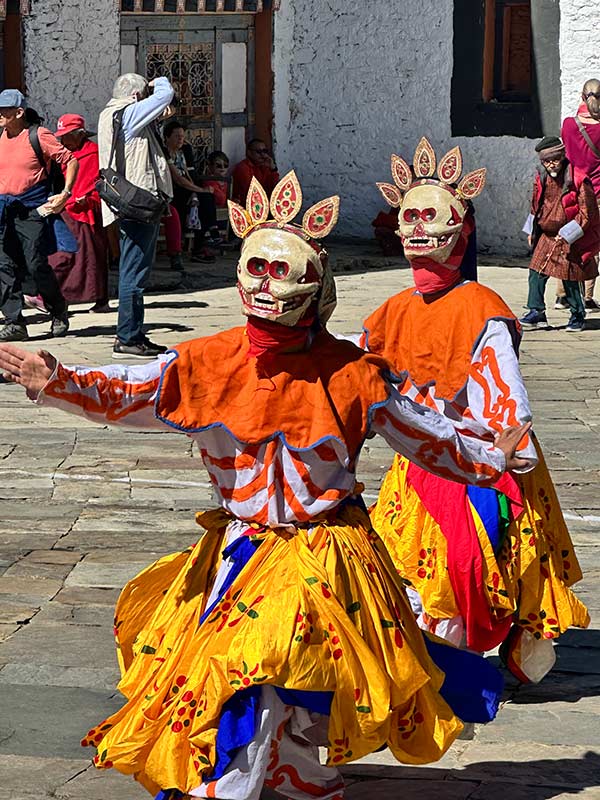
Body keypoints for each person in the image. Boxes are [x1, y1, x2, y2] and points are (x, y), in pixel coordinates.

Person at [0, 169, 530, 800]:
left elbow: (427, 436)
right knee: (254, 680)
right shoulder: (205, 362)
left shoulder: (353, 372)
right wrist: (55, 379)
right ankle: (290, 772)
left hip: (324, 552)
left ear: (316, 283)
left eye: (285, 272)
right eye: (257, 267)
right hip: (239, 552)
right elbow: (130, 388)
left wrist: (491, 457)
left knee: (272, 675)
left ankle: (269, 777)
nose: (266, 283)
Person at [365, 138, 589, 684]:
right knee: (405, 570)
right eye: (409, 216)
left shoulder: (483, 311)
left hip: (476, 465)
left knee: (467, 570)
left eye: (430, 216)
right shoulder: (391, 311)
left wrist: (506, 456)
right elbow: (360, 369)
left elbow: (506, 398)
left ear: (460, 229)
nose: (418, 229)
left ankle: (458, 674)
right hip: (416, 466)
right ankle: (427, 671)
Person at [98, 73, 174, 359]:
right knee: (134, 272)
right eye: (144, 96)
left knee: (134, 268)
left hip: (126, 199)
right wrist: (160, 81)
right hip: (139, 202)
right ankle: (128, 336)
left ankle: (133, 333)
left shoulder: (112, 114)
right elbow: (164, 96)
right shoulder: (129, 111)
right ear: (135, 96)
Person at [0, 89, 76, 342]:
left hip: (31, 210)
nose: (0, 115)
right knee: (4, 266)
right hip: (4, 212)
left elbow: (70, 160)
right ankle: (15, 321)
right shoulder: (0, 137)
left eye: (4, 110)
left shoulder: (38, 135)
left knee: (35, 263)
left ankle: (58, 309)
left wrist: (65, 193)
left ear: (19, 112)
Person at [521, 136, 600, 333]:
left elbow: (587, 213)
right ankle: (536, 312)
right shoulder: (541, 177)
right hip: (546, 235)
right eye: (546, 161)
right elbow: (535, 205)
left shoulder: (579, 179)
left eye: (554, 160)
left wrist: (568, 234)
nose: (550, 165)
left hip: (570, 236)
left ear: (562, 156)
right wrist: (531, 230)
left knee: (569, 277)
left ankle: (577, 314)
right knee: (536, 273)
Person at [47, 113, 109, 313]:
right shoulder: (62, 154)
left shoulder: (94, 154)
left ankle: (101, 299)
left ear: (80, 135)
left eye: (66, 136)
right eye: (61, 136)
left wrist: (89, 199)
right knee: (62, 255)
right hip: (66, 207)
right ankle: (55, 297)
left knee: (94, 256)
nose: (62, 140)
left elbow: (99, 184)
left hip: (88, 210)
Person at [561, 78, 600, 311]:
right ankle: (586, 296)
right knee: (592, 243)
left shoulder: (568, 124)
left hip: (573, 191)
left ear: (582, 96)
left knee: (568, 239)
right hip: (596, 193)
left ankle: (562, 295)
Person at [163, 119, 221, 264]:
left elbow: (187, 176)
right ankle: (208, 237)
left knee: (205, 198)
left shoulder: (182, 153)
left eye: (182, 137)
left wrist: (196, 191)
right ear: (167, 137)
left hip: (186, 189)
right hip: (172, 191)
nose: (181, 140)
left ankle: (202, 244)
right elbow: (178, 179)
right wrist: (198, 189)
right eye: (177, 136)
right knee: (201, 196)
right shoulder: (165, 154)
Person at [231, 138, 279, 204]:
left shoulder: (265, 165)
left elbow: (275, 187)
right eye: (258, 152)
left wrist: (273, 169)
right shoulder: (242, 167)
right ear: (249, 153)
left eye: (264, 151)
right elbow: (252, 191)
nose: (262, 155)